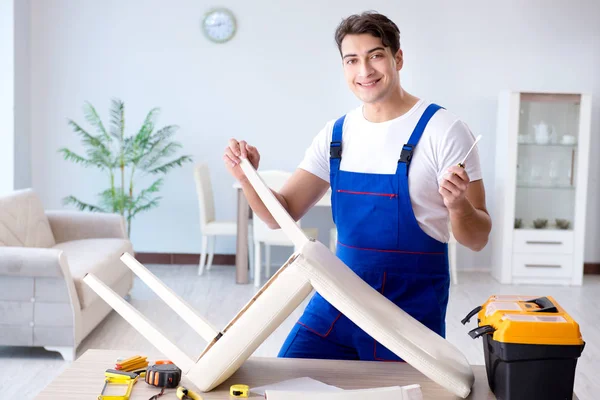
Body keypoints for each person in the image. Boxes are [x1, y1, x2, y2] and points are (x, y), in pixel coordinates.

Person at [223, 11, 491, 361]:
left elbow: (478, 238)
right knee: (289, 377)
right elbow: (280, 215)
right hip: (339, 295)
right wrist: (248, 178)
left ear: (398, 58)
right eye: (352, 60)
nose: (364, 71)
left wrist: (458, 206)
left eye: (375, 55)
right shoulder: (336, 134)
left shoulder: (444, 130)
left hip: (409, 308)